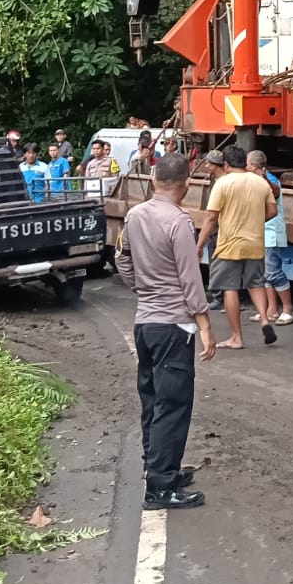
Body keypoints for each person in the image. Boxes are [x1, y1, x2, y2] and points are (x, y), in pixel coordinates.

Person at [116, 150, 215, 509]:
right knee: (173, 406)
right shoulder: (179, 222)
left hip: (145, 323)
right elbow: (190, 278)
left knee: (153, 400)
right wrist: (205, 324)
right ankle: (160, 487)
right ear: (186, 184)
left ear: (154, 180)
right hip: (174, 326)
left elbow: (121, 258)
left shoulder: (134, 215)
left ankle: (157, 466)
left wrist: (142, 288)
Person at [195, 144, 277, 349]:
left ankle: (236, 338)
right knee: (256, 283)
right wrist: (254, 222)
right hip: (255, 243)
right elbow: (272, 212)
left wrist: (199, 244)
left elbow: (211, 218)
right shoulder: (260, 183)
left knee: (229, 288)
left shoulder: (222, 183)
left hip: (229, 245)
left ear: (226, 164)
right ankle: (264, 319)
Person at [248, 150, 293, 326]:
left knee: (273, 271)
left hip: (271, 232)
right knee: (265, 274)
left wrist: (264, 179)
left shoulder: (270, 179)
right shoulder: (253, 180)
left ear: (254, 166)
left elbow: (275, 192)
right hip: (260, 232)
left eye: (248, 164)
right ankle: (271, 310)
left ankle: (288, 309)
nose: (246, 167)